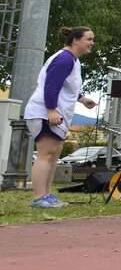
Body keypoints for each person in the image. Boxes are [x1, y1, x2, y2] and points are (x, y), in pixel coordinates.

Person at [24, 26, 98, 208]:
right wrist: (51, 110)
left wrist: (82, 99)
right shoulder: (64, 58)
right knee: (46, 154)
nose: (92, 43)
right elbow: (51, 85)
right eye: (89, 39)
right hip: (44, 112)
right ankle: (39, 197)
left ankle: (47, 195)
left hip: (55, 113)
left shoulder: (72, 60)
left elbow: (67, 87)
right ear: (75, 40)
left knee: (54, 154)